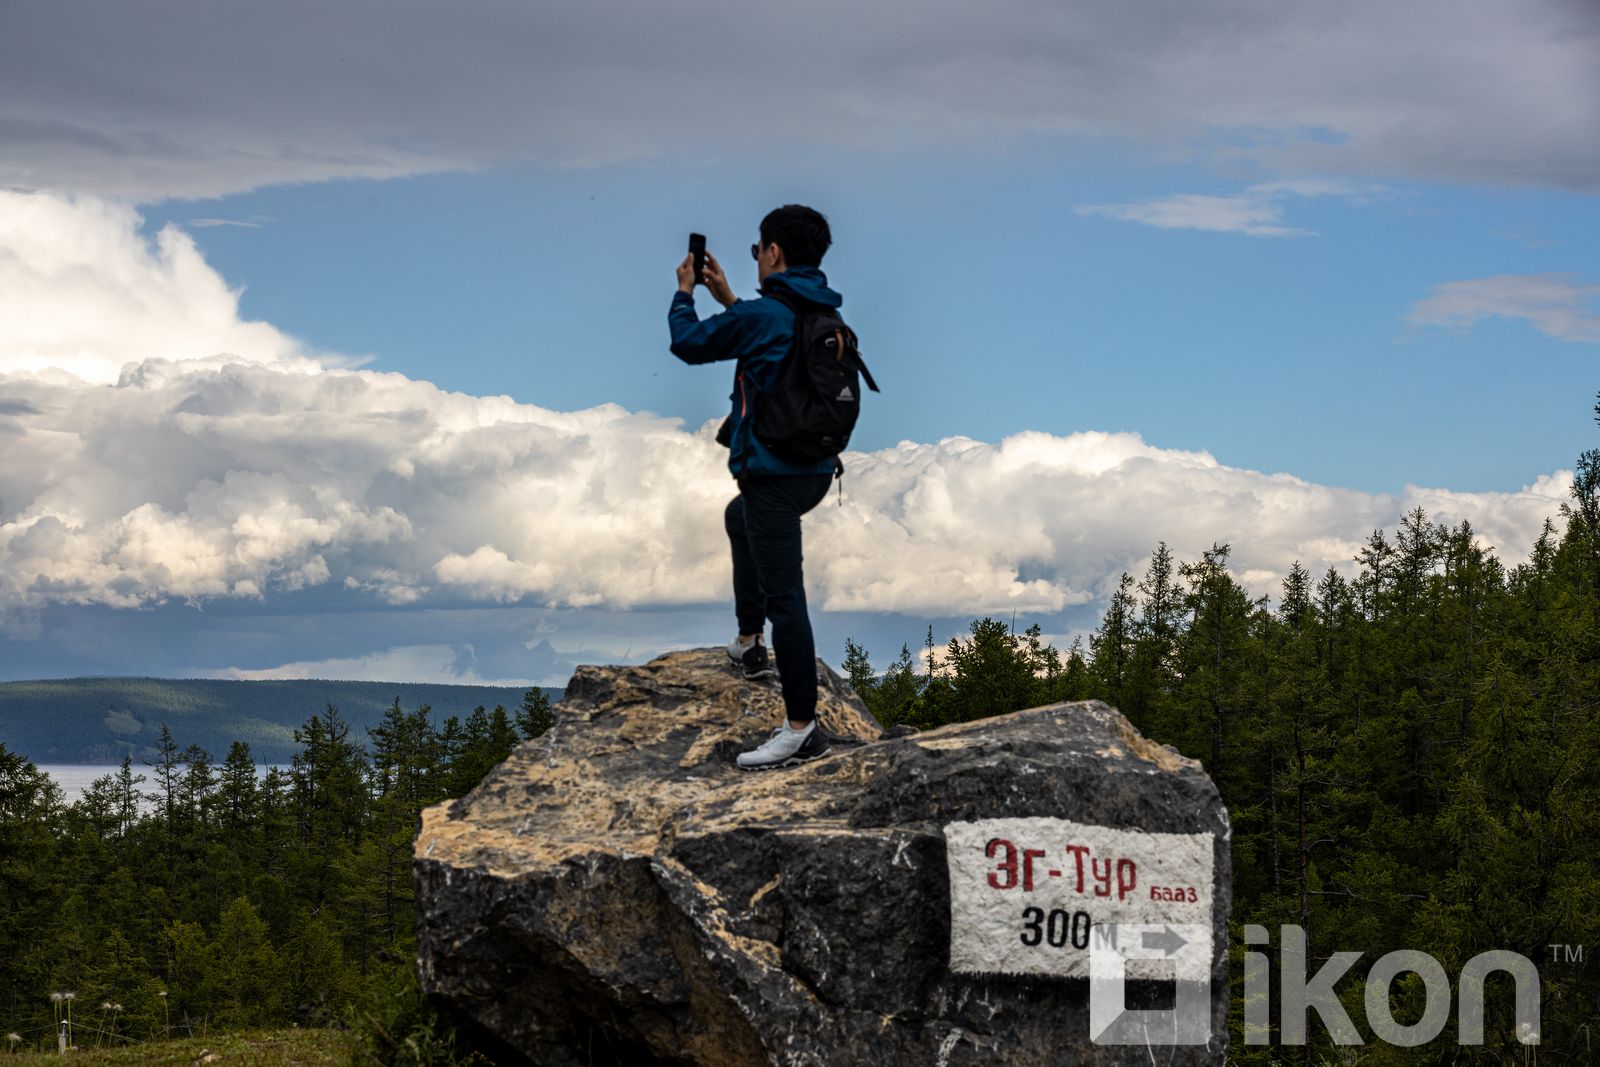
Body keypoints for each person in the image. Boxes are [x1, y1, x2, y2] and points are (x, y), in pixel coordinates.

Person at [668, 204, 841, 771]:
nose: (757, 258)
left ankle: (801, 729)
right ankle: (748, 642)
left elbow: (688, 343)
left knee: (787, 599)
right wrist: (731, 301)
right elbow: (768, 341)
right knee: (736, 517)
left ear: (773, 252)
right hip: (815, 472)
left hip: (772, 476)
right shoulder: (821, 312)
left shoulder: (767, 314)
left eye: (757, 250)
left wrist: (686, 292)